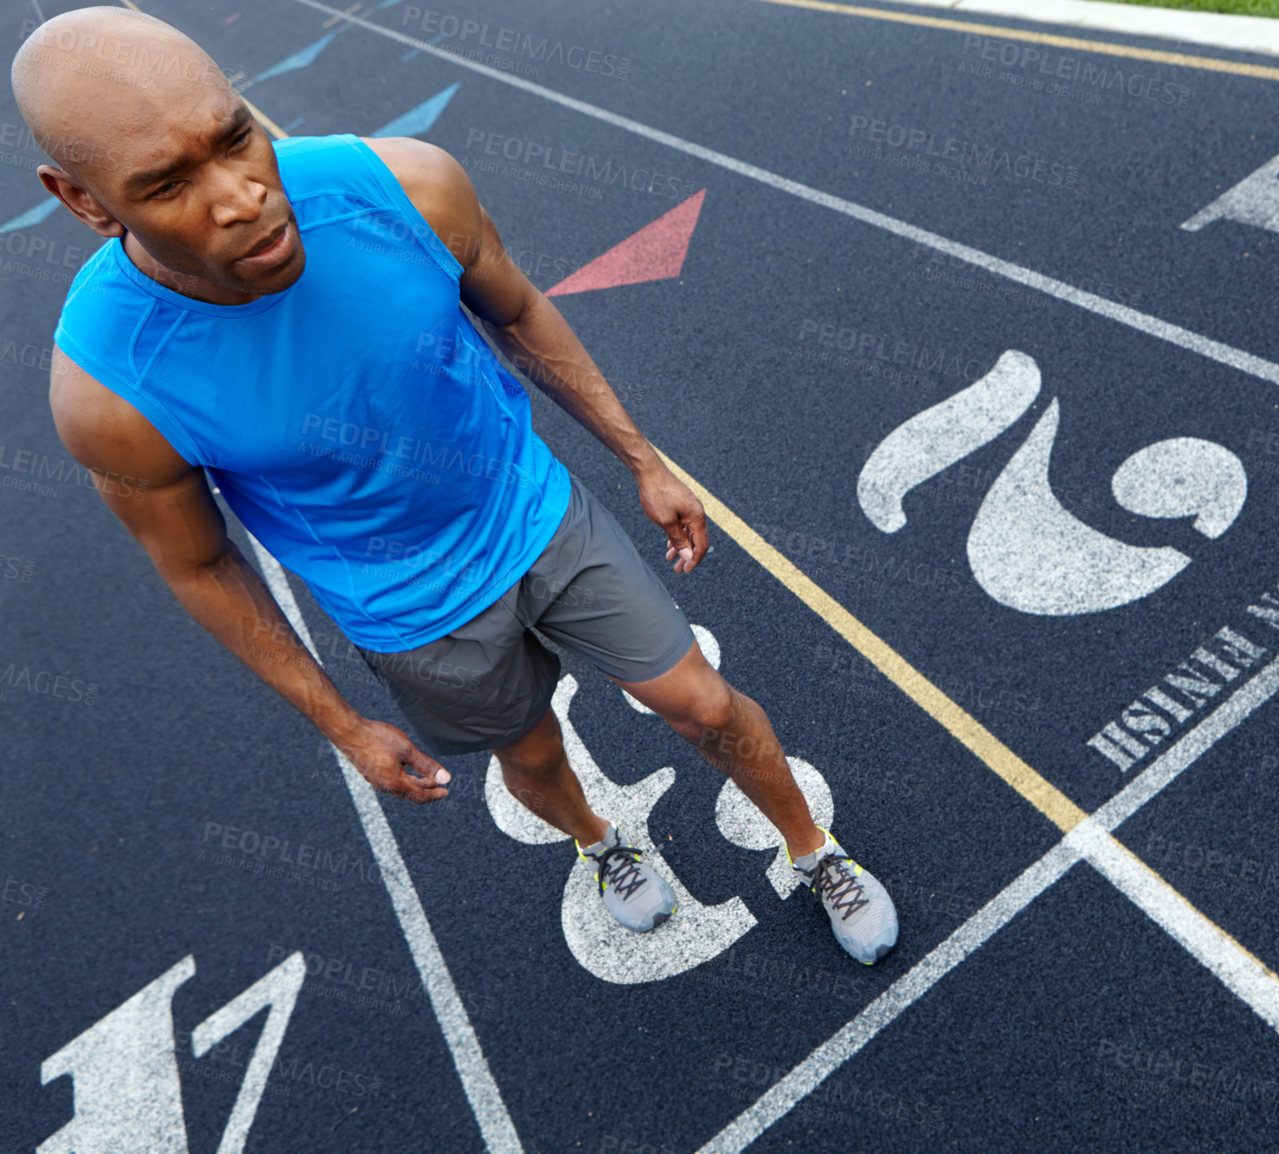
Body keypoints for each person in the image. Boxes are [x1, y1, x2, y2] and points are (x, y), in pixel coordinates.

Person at [16, 7, 897, 964]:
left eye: (235, 137)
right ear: (86, 202)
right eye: (168, 185)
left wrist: (641, 457)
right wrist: (345, 725)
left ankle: (814, 850)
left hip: (534, 515)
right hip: (409, 613)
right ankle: (601, 845)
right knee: (531, 756)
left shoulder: (403, 186)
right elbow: (196, 567)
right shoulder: (110, 392)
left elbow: (516, 311)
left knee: (707, 706)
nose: (241, 198)